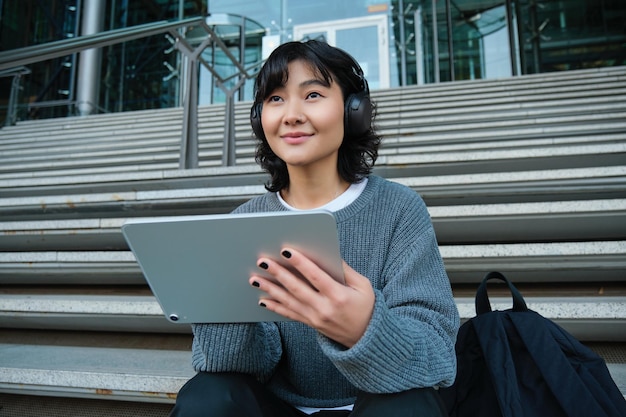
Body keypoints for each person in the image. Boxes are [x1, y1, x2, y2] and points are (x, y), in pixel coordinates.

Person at [170, 39, 459, 417]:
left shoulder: (399, 210)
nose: (291, 114)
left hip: (377, 404)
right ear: (260, 117)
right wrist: (219, 310)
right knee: (207, 395)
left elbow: (437, 355)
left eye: (313, 95)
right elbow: (239, 366)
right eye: (275, 99)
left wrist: (363, 328)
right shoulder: (243, 222)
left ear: (353, 110)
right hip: (279, 407)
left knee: (409, 406)